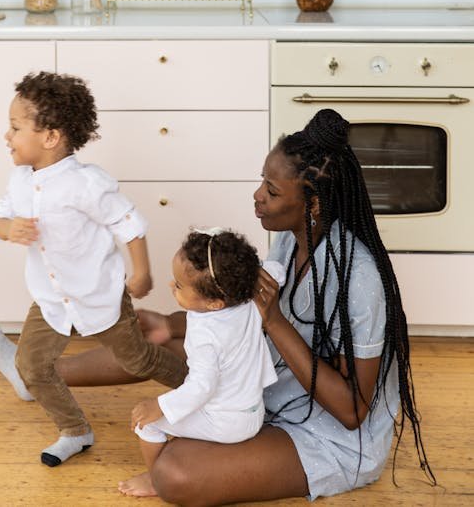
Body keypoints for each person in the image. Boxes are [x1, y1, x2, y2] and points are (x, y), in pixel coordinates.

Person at [56, 108, 436, 505]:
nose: (257, 196)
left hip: (329, 436)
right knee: (160, 343)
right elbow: (235, 312)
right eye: (262, 181)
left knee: (174, 473)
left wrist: (274, 322)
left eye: (272, 191)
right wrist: (173, 324)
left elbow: (353, 410)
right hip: (268, 390)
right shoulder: (292, 239)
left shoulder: (357, 279)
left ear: (314, 205)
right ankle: (43, 374)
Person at [0, 70, 187, 468]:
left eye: (14, 127)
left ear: (50, 137)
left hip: (100, 295)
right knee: (31, 367)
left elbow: (129, 223)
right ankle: (75, 431)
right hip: (51, 299)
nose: (6, 136)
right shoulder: (19, 181)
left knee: (138, 361)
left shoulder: (86, 184)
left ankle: (202, 388)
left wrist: (141, 273)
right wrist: (6, 227)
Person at [121, 229, 286, 498]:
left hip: (225, 423)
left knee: (146, 423)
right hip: (255, 412)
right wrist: (242, 271)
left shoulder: (204, 335)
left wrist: (158, 406)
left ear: (213, 303)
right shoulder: (248, 298)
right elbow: (276, 270)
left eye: (178, 286)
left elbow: (202, 387)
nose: (170, 286)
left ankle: (155, 480)